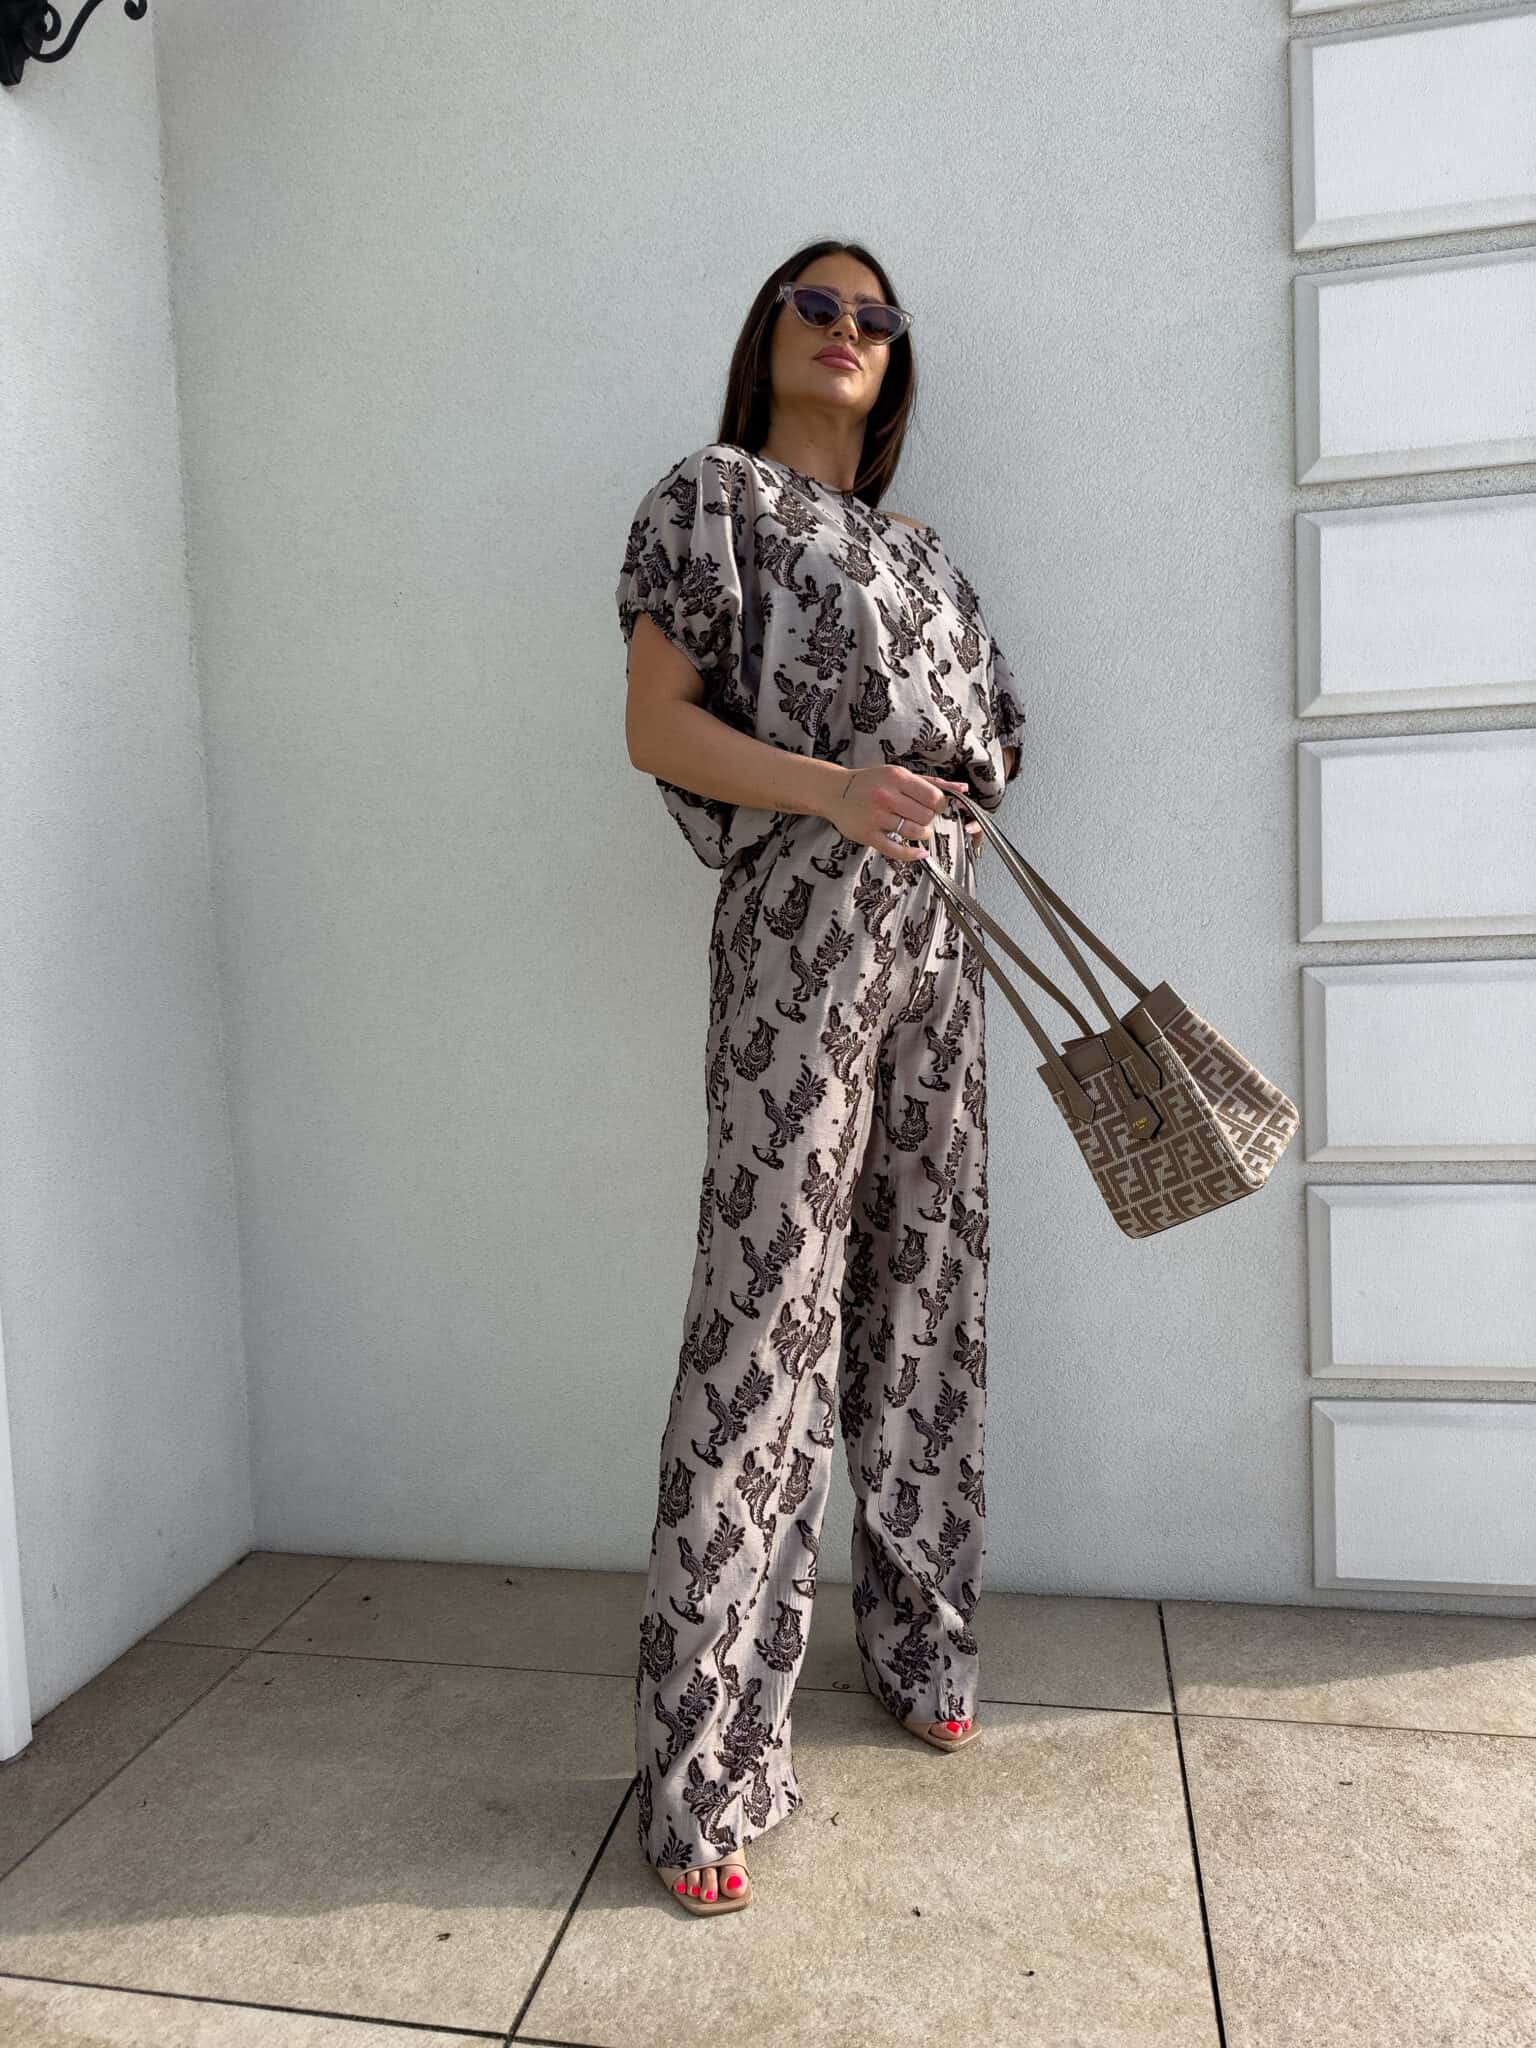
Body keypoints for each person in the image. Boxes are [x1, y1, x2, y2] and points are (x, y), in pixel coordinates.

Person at [614, 238, 1025, 1917]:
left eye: (875, 317)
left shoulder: (925, 553)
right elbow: (658, 725)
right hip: (803, 921)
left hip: (943, 931)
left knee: (926, 1290)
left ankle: (921, 1641)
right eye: (818, 305)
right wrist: (837, 790)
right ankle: (707, 1762)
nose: (848, 329)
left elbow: (995, 735)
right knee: (768, 1311)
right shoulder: (712, 498)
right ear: (768, 331)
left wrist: (947, 799)